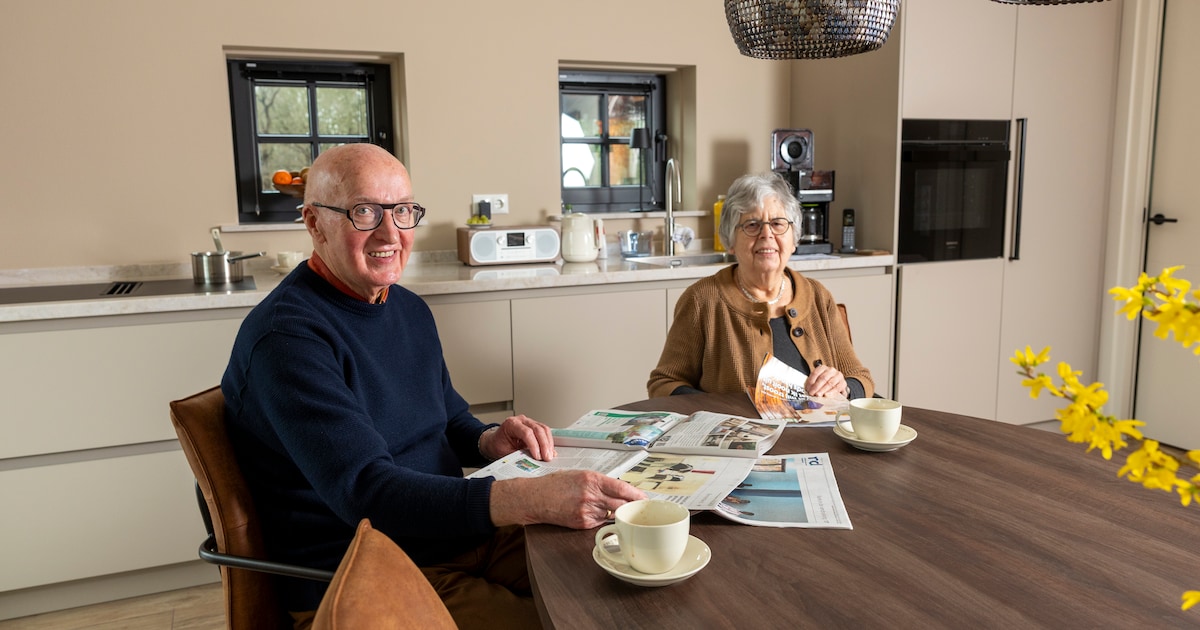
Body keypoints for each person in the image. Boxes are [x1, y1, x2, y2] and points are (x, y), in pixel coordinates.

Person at [221, 143, 644, 630]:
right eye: (364, 212)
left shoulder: (405, 307)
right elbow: (368, 493)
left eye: (402, 211)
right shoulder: (288, 338)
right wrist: (531, 498)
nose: (390, 233)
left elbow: (447, 419)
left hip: (452, 532)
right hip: (369, 570)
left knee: (620, 586)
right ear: (314, 223)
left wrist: (487, 440)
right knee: (567, 621)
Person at [647, 171, 874, 400]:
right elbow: (664, 384)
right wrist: (718, 412)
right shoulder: (702, 300)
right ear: (731, 241)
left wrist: (842, 386)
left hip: (816, 433)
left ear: (793, 239)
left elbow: (860, 377)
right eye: (752, 225)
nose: (767, 235)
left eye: (777, 223)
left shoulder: (817, 296)